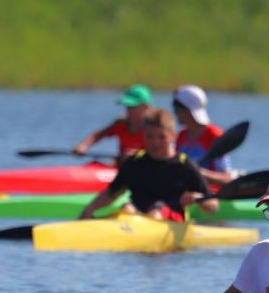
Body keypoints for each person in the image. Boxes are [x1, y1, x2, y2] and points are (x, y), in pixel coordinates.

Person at [78, 109, 218, 222]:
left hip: (171, 217)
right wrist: (88, 210)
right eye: (150, 137)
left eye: (161, 137)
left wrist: (198, 199)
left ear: (172, 136)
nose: (155, 143)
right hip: (134, 214)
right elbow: (111, 194)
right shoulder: (135, 162)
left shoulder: (184, 165)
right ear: (143, 135)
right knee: (127, 208)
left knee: (156, 213)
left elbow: (213, 206)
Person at [172, 85, 235, 186]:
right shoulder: (181, 136)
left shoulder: (214, 135)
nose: (175, 113)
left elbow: (227, 179)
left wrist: (198, 172)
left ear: (188, 110)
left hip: (211, 195)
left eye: (177, 109)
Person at [73, 84, 154, 162]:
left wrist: (138, 154)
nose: (128, 110)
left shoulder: (155, 127)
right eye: (127, 106)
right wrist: (84, 145)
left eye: (132, 107)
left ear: (145, 107)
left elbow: (162, 151)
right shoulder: (121, 123)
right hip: (123, 167)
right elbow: (99, 134)